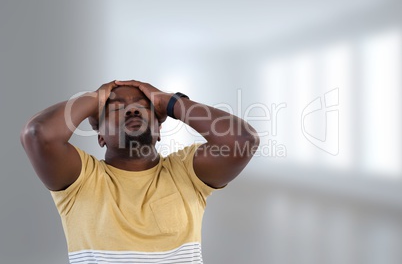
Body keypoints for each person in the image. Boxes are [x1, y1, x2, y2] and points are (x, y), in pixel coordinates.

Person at [20, 80, 260, 264]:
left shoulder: (185, 172)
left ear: (158, 131)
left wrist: (171, 101)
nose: (132, 111)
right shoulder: (81, 179)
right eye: (116, 109)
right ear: (100, 136)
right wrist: (96, 98)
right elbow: (38, 135)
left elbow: (243, 140)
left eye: (143, 107)